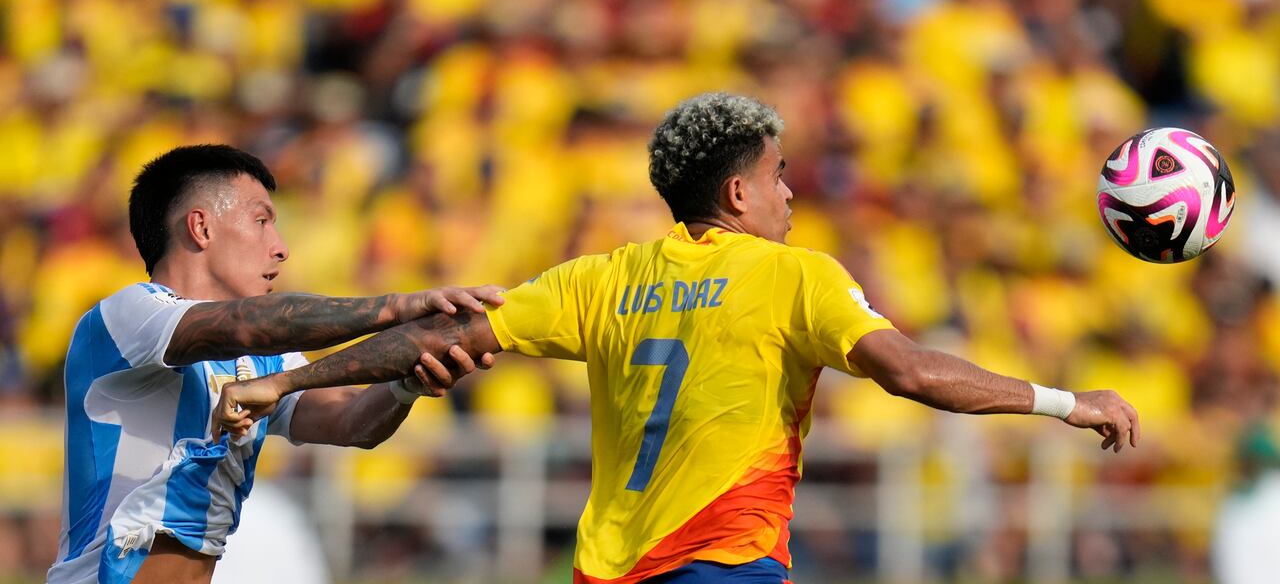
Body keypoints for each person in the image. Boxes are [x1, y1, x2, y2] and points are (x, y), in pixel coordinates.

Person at [215, 93, 1141, 584]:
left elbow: (440, 331)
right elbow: (911, 374)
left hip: (607, 570)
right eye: (779, 177)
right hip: (723, 564)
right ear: (738, 193)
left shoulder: (602, 277)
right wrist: (1066, 401)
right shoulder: (797, 275)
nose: (791, 195)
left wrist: (277, 387)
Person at [48, 144, 502, 584]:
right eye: (261, 221)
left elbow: (350, 422)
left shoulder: (265, 359)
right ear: (201, 228)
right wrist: (395, 308)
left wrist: (408, 381)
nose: (281, 248)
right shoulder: (126, 316)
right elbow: (245, 326)